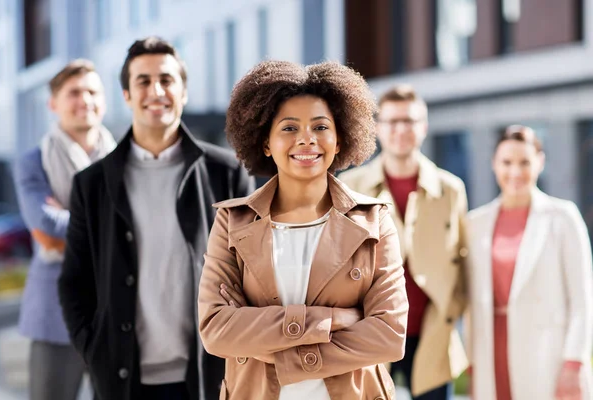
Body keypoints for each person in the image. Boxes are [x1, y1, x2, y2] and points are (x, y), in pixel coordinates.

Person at [197, 60, 409, 400]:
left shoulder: (375, 220)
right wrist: (332, 319)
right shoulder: (232, 222)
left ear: (339, 140)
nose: (307, 139)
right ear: (266, 143)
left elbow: (389, 335)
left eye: (321, 127)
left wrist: (267, 339)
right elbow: (217, 331)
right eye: (289, 128)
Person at [58, 37, 254, 400]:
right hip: (122, 378)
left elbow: (253, 274)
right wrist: (93, 349)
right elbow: (74, 280)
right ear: (127, 95)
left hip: (210, 374)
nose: (156, 90)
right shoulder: (92, 184)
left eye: (166, 79)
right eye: (143, 81)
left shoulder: (225, 173)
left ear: (184, 91)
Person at [338, 85, 469, 399]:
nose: (400, 130)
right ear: (378, 128)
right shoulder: (351, 186)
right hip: (370, 331)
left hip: (432, 333)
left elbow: (463, 258)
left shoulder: (450, 189)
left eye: (409, 121)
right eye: (392, 121)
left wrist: (453, 308)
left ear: (423, 127)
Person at [465, 126, 593, 400]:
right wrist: (472, 364)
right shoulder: (475, 223)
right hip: (491, 352)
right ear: (494, 165)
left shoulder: (563, 217)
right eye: (507, 162)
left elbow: (582, 300)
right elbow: (472, 302)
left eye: (524, 162)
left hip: (548, 354)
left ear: (540, 162)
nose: (515, 172)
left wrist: (574, 363)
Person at [13, 59, 115, 400]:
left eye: (92, 91)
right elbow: (44, 226)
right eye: (74, 92)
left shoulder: (124, 161)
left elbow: (142, 223)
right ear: (53, 104)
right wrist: (110, 226)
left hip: (116, 311)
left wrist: (70, 221)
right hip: (54, 314)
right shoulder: (34, 161)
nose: (84, 100)